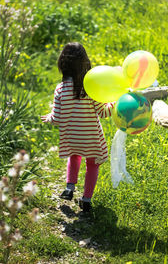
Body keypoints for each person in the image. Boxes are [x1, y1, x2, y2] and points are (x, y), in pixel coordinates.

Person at [41, 42, 114, 212]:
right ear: (85, 64)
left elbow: (57, 117)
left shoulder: (60, 89)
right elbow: (103, 112)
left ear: (62, 64)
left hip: (71, 138)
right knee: (92, 164)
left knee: (74, 156)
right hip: (91, 138)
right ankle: (86, 199)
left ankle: (69, 188)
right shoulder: (90, 89)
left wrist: (50, 118)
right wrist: (115, 104)